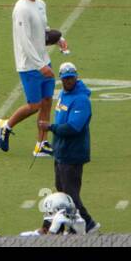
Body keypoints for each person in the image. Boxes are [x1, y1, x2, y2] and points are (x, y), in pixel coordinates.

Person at [0, 0, 56, 157]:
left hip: (44, 61)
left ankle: (41, 143)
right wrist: (40, 65)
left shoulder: (41, 4)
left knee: (47, 102)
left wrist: (58, 40)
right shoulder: (21, 9)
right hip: (29, 65)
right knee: (34, 105)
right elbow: (24, 41)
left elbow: (43, 30)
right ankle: (5, 125)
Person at [48, 63, 99, 233]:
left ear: (76, 77)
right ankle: (70, 225)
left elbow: (73, 127)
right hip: (62, 152)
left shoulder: (81, 100)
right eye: (65, 78)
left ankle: (88, 224)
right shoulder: (64, 94)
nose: (68, 81)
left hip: (72, 154)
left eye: (71, 78)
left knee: (70, 195)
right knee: (61, 190)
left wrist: (51, 128)